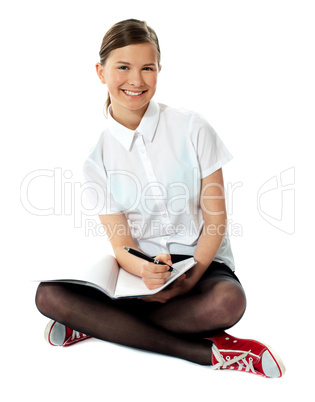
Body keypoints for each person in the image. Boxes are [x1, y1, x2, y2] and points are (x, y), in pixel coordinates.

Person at [35, 19, 285, 378]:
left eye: (147, 68)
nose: (135, 80)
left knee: (229, 302)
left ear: (158, 71)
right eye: (123, 67)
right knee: (48, 296)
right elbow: (122, 245)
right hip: (143, 275)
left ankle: (97, 323)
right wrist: (144, 271)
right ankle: (206, 352)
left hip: (203, 265)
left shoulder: (192, 127)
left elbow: (216, 221)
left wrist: (190, 276)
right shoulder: (96, 159)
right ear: (100, 72)